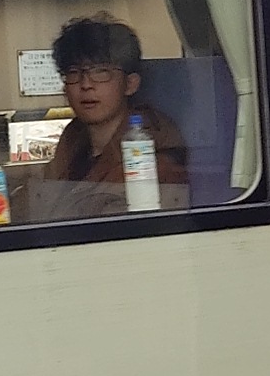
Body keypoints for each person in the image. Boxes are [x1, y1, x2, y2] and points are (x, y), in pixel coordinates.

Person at [15, 13, 187, 223]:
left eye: (101, 72)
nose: (86, 84)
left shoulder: (153, 156)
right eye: (74, 72)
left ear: (130, 84)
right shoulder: (72, 141)